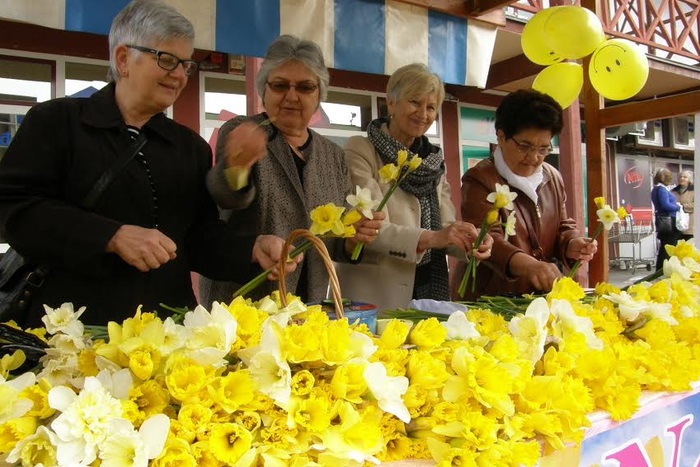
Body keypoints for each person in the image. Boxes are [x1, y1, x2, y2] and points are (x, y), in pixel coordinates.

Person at [0, 0, 286, 326]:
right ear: (124, 59)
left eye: (186, 65)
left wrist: (252, 249)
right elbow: (13, 212)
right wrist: (111, 235)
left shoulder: (188, 147)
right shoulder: (57, 123)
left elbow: (199, 240)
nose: (179, 75)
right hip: (72, 334)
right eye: (166, 60)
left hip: (165, 334)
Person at [198, 35, 383, 307]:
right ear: (264, 91)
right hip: (246, 304)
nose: (291, 96)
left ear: (319, 94)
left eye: (305, 87)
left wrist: (351, 239)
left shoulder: (333, 155)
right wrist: (236, 168)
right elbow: (227, 197)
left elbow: (331, 240)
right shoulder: (245, 133)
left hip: (308, 307)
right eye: (280, 85)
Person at [334, 63, 492, 311]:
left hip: (429, 283)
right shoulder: (359, 149)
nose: (423, 113)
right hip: (375, 294)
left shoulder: (432, 162)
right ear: (392, 103)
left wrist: (470, 242)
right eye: (415, 102)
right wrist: (434, 238)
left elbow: (445, 227)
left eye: (431, 107)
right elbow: (369, 228)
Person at [452, 89, 597, 300]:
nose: (534, 157)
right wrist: (528, 265)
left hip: (539, 296)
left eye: (543, 149)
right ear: (501, 137)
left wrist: (572, 243)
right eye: (525, 146)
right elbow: (486, 237)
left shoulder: (552, 176)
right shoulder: (480, 178)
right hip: (492, 298)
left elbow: (563, 225)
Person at [652, 167, 682, 270]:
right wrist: (677, 207)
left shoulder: (656, 188)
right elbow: (665, 205)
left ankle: (659, 270)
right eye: (669, 177)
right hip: (668, 221)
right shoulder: (661, 189)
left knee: (664, 248)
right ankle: (664, 270)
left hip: (663, 220)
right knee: (669, 248)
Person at [671, 169, 694, 242]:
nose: (682, 178)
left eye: (685, 177)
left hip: (690, 226)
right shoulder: (672, 191)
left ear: (689, 180)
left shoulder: (695, 190)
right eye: (680, 177)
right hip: (676, 225)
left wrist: (682, 206)